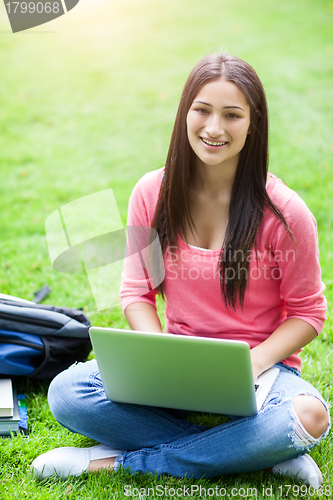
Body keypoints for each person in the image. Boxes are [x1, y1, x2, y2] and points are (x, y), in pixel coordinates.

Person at [31, 52, 330, 486]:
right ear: (184, 113)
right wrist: (157, 360)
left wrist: (257, 361)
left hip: (263, 374)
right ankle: (253, 453)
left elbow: (308, 313)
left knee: (309, 416)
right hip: (177, 369)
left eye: (232, 115)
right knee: (66, 393)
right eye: (202, 110)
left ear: (254, 123)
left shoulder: (285, 212)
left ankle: (117, 461)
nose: (213, 128)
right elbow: (136, 292)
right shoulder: (153, 192)